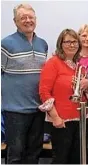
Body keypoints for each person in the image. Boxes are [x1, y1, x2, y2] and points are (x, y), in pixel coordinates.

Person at [1, 4, 48, 164]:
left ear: (35, 19)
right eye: (23, 18)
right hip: (15, 111)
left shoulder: (43, 44)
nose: (28, 20)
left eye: (31, 17)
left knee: (34, 155)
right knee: (15, 156)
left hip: (38, 109)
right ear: (15, 21)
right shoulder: (5, 44)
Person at [39, 29, 88, 164]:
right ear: (60, 44)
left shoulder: (79, 67)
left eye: (74, 41)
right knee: (61, 158)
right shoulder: (53, 63)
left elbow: (86, 95)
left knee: (78, 157)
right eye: (67, 42)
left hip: (81, 118)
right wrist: (55, 117)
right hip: (61, 120)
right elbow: (44, 92)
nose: (72, 45)